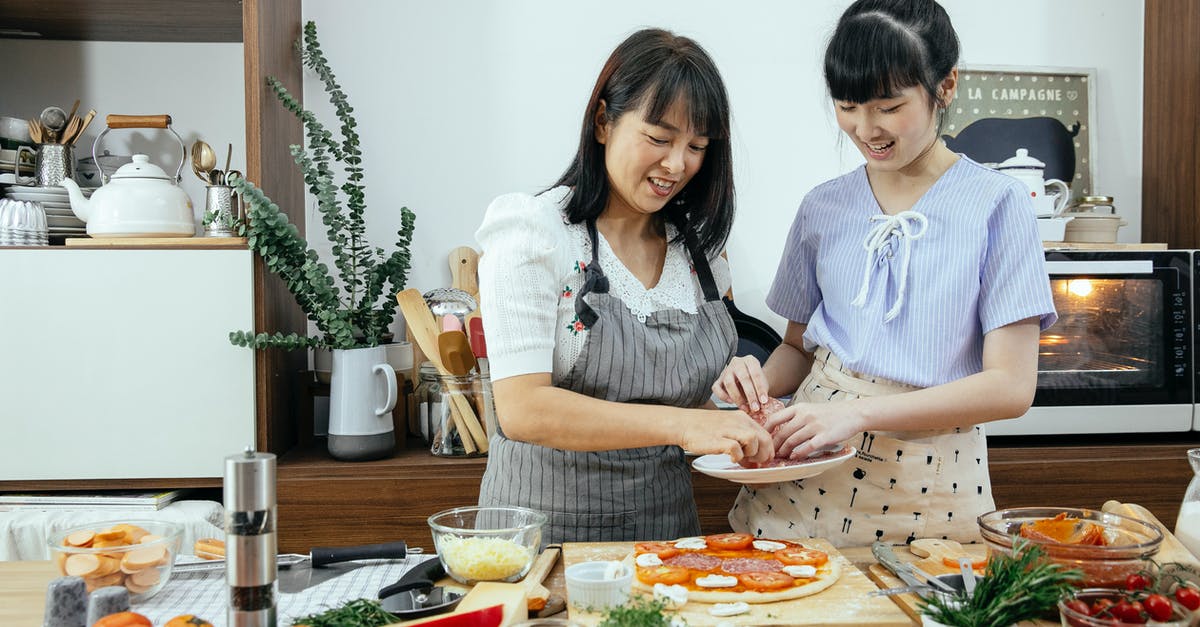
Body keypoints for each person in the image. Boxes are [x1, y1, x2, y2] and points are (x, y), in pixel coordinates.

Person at [712, 0, 1056, 546]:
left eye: (889, 106)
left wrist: (857, 414)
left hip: (929, 480)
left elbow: (1011, 388)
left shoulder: (998, 204)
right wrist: (750, 384)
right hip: (805, 470)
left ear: (945, 86)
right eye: (847, 106)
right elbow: (798, 351)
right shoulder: (823, 206)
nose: (865, 128)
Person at [474, 28, 774, 544]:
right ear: (602, 123)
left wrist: (738, 414)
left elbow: (685, 407)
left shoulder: (698, 254)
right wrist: (683, 427)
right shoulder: (534, 232)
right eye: (658, 138)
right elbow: (524, 408)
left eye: (696, 146)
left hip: (667, 540)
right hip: (542, 545)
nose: (677, 165)